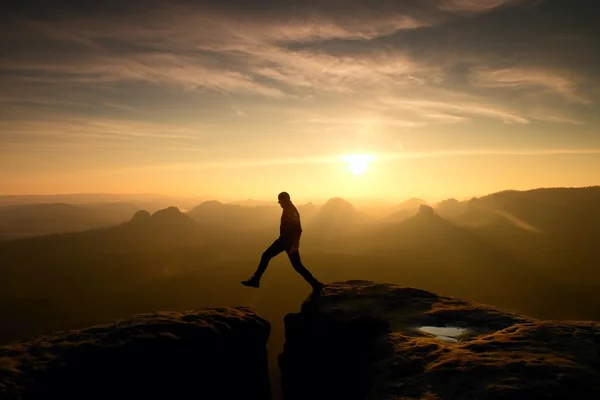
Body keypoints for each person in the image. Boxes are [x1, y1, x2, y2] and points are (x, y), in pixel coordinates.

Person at [242, 192, 324, 294]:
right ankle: (316, 285)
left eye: (280, 201)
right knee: (297, 266)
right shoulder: (288, 209)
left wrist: (295, 246)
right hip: (285, 241)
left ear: (285, 200)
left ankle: (255, 280)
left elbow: (298, 229)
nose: (279, 203)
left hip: (286, 242)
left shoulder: (291, 211)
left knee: (266, 256)